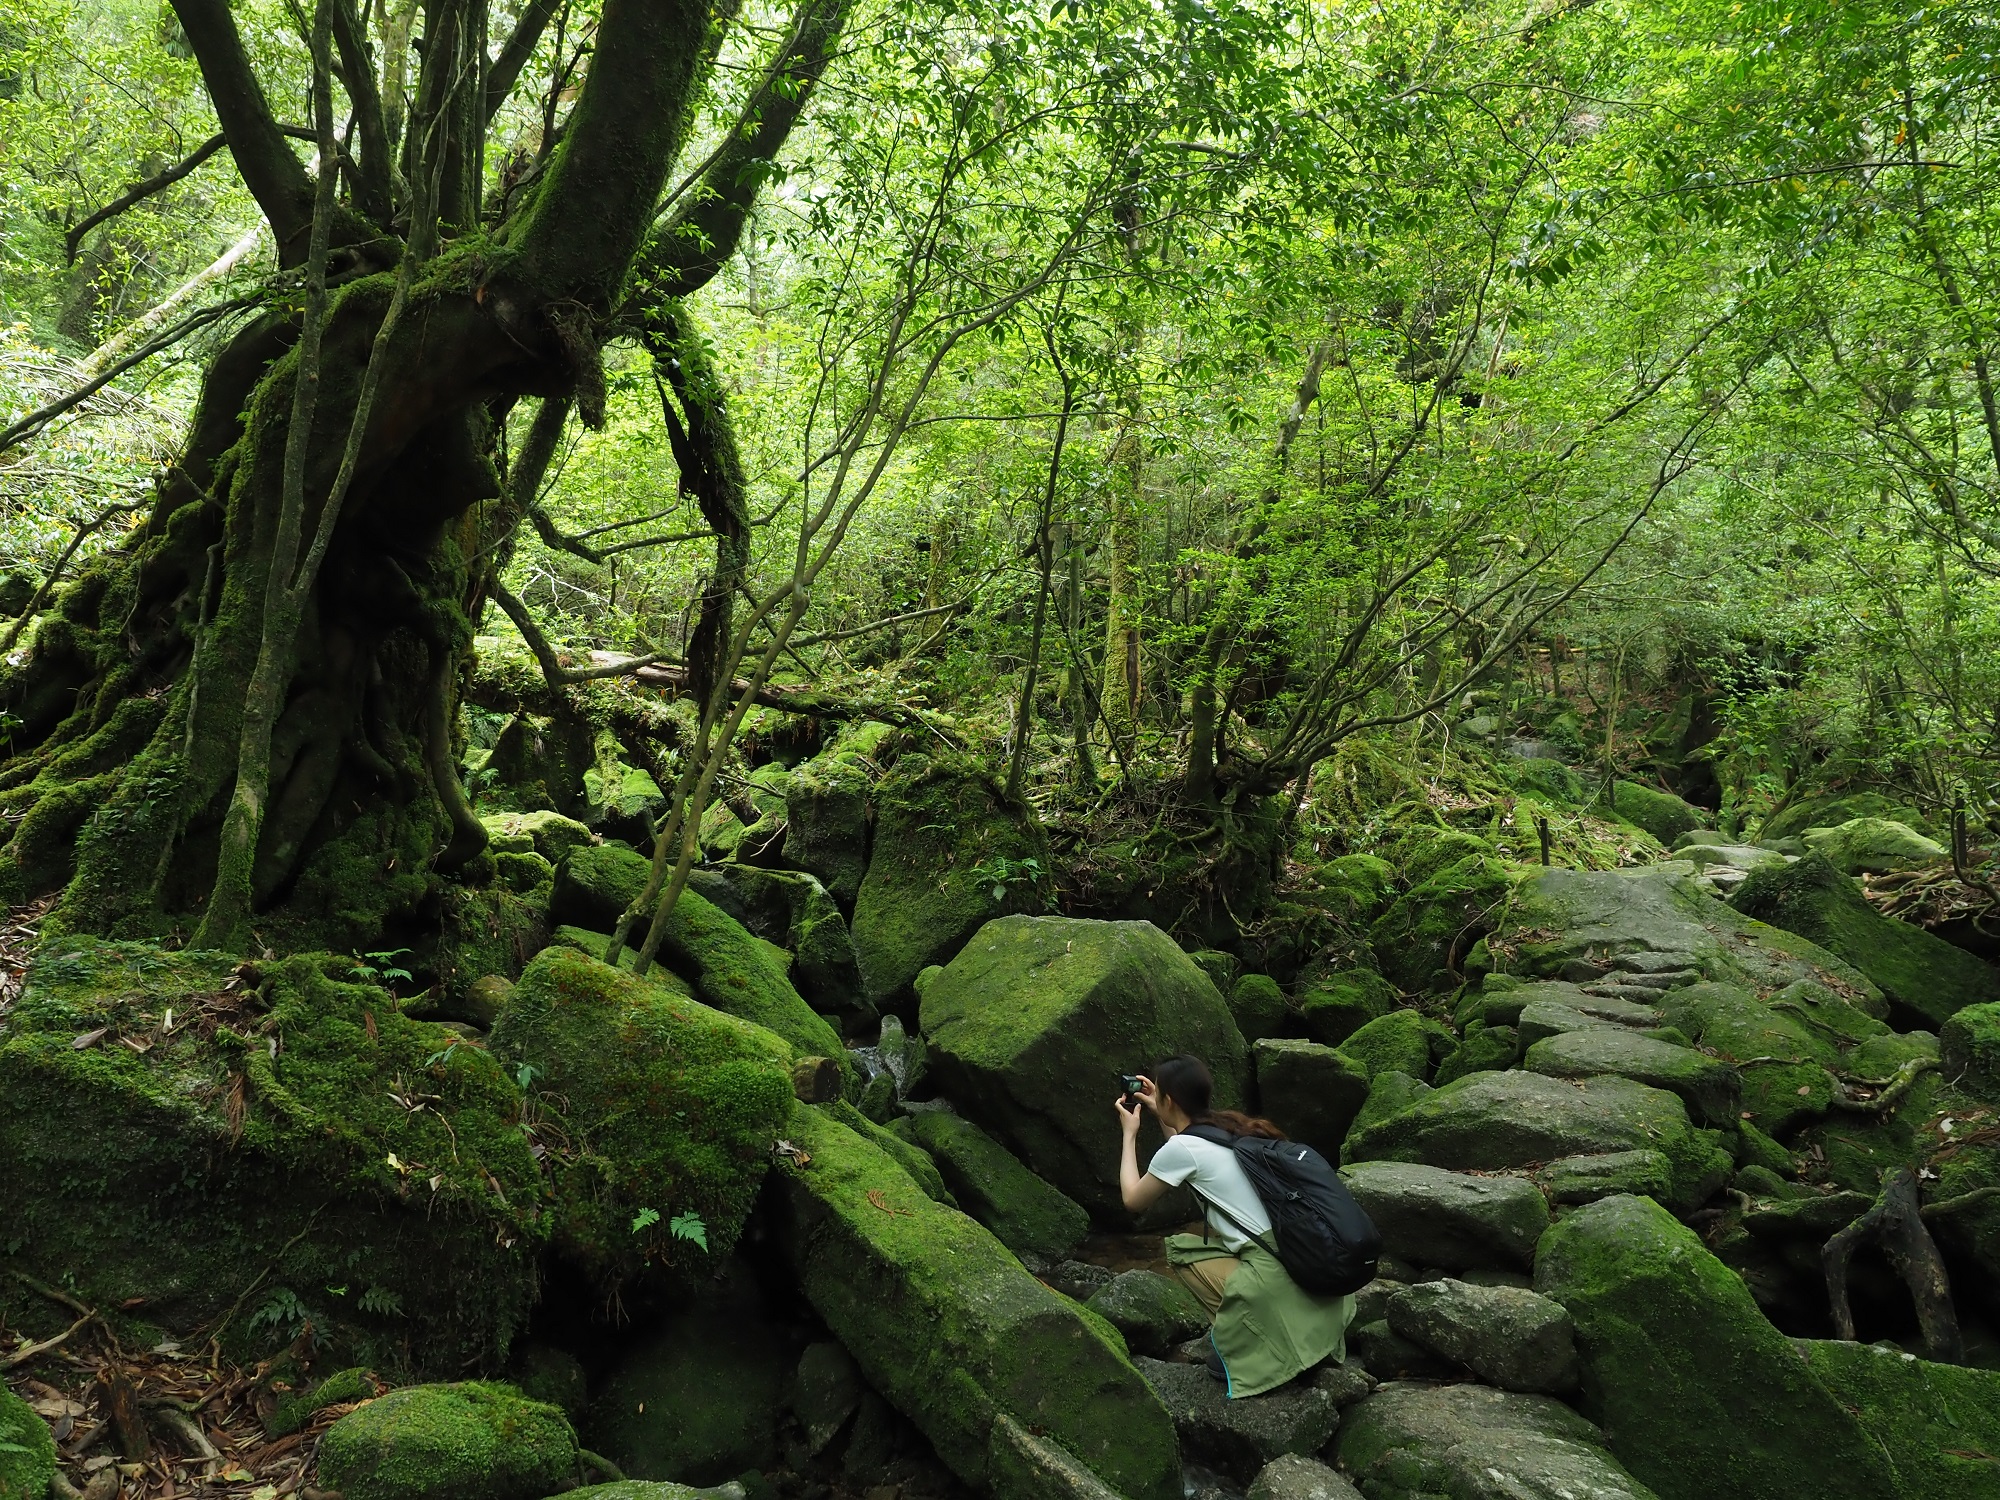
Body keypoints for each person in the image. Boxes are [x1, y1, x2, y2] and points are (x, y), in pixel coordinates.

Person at [1115, 1054, 1354, 1397]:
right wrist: (1160, 1110)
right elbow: (1183, 1148)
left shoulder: (1186, 1147)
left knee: (1182, 1254)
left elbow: (1132, 1199)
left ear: (1171, 1100)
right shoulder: (1229, 1127)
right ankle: (1295, 1333)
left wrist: (1129, 1134)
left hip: (1272, 1268)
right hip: (1307, 1256)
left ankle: (1256, 1341)